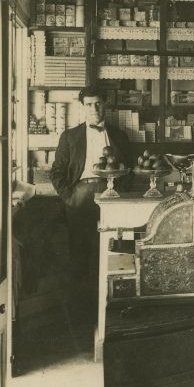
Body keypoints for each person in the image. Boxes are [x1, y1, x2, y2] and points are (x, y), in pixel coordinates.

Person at [50, 85, 131, 320]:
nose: (94, 108)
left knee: (109, 253)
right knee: (80, 256)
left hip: (111, 196)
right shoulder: (70, 136)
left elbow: (130, 170)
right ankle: (82, 316)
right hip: (81, 197)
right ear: (82, 107)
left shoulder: (119, 135)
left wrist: (121, 194)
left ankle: (109, 313)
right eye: (88, 104)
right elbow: (56, 173)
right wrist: (70, 198)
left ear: (106, 103)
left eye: (98, 103)